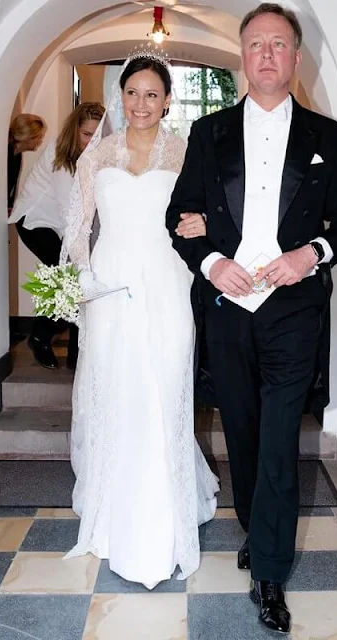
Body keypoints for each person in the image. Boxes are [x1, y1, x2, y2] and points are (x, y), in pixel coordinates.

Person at [166, 3, 337, 633]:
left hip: (292, 313)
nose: (266, 55)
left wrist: (312, 253)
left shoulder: (329, 138)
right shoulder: (209, 134)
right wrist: (211, 262)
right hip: (228, 310)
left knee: (281, 440)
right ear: (242, 58)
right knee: (246, 436)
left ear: (295, 58)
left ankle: (271, 574)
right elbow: (179, 216)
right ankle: (256, 527)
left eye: (278, 45)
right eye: (255, 44)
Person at [61, 49, 218, 589]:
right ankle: (117, 508)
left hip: (169, 283)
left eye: (153, 94)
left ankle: (165, 514)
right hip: (109, 288)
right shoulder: (96, 155)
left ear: (168, 100)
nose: (142, 103)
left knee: (164, 387)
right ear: (119, 97)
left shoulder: (184, 153)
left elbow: (209, 214)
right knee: (119, 392)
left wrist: (203, 226)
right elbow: (78, 227)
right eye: (132, 93)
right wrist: (78, 285)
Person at [10, 103, 105, 369]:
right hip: (34, 220)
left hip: (59, 224)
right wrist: (79, 251)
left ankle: (69, 350)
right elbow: (69, 209)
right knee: (64, 273)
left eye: (96, 136)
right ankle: (40, 337)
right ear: (74, 129)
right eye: (86, 134)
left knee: (68, 276)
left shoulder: (93, 156)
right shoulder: (59, 153)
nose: (90, 141)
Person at [7, 113, 46, 210]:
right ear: (28, 136)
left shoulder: (17, 154)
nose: (40, 141)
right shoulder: (7, 154)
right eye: (39, 137)